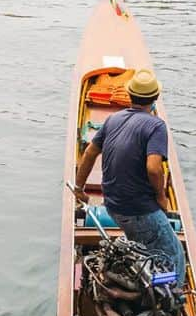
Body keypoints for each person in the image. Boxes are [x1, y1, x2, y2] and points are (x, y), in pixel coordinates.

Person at [73, 68, 185, 278]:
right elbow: (153, 168)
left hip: (113, 207)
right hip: (138, 211)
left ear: (130, 95)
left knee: (143, 244)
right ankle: (174, 297)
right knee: (175, 258)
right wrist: (161, 197)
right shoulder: (156, 126)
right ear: (155, 98)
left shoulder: (113, 120)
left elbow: (89, 153)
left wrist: (79, 189)